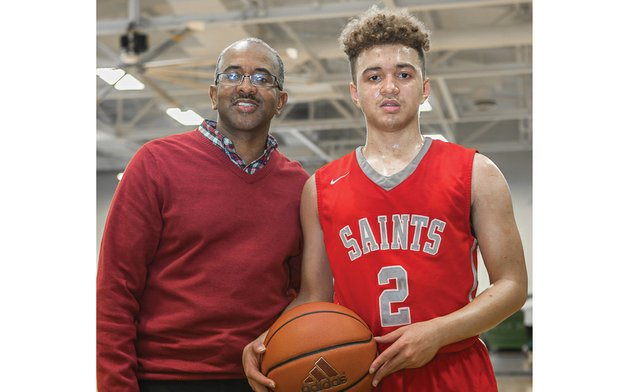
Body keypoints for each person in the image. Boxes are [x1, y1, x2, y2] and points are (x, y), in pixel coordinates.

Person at [243, 7, 528, 391]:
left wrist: (438, 332)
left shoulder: (476, 172)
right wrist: (266, 341)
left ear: (425, 88)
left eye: (404, 74)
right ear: (355, 93)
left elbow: (511, 284)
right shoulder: (321, 187)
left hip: (453, 371)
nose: (389, 87)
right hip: (362, 376)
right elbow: (314, 294)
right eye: (374, 77)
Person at [97, 37, 309, 392]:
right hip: (165, 378)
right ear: (213, 94)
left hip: (264, 379)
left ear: (280, 102)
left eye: (261, 78)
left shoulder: (299, 185)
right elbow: (115, 289)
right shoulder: (155, 163)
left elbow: (305, 293)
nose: (245, 86)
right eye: (232, 75)